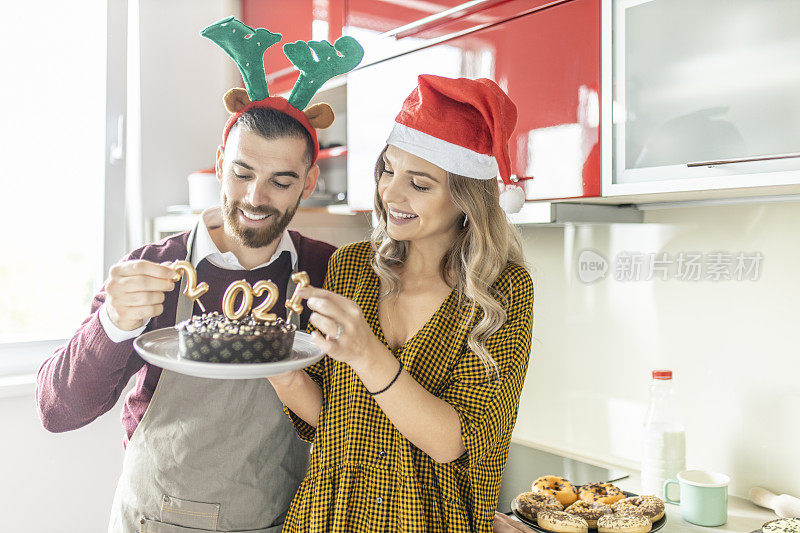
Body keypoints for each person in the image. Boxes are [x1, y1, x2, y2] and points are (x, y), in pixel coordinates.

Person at [35, 96, 336, 532]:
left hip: (274, 520)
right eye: (242, 173)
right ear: (219, 163)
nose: (255, 197)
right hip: (150, 520)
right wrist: (112, 325)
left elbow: (354, 423)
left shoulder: (329, 273)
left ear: (309, 182)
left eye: (281, 181)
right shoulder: (157, 267)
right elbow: (56, 411)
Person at [269, 74, 535, 532]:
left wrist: (368, 355)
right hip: (325, 517)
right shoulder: (352, 268)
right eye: (388, 169)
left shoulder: (502, 293)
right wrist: (281, 372)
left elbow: (454, 441)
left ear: (466, 198)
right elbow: (335, 418)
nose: (390, 192)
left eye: (420, 183)